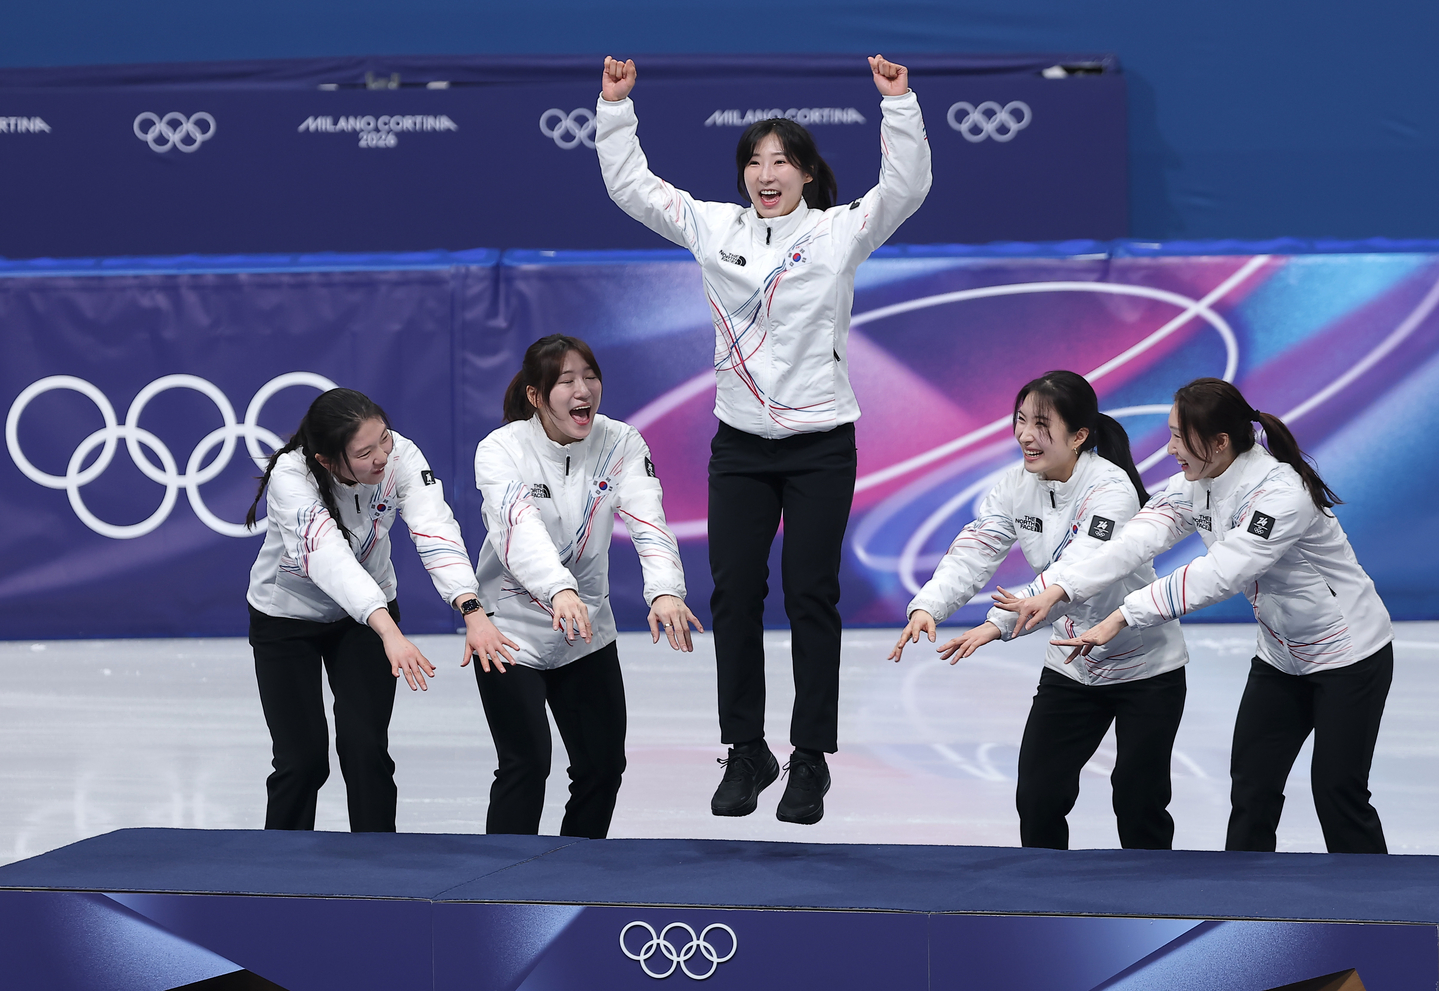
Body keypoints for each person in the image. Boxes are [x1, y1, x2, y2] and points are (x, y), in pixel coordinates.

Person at [595, 54, 932, 825]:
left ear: (809, 173)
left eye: (780, 160)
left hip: (820, 444)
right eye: (753, 161)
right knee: (735, 593)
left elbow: (907, 187)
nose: (765, 172)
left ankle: (809, 757)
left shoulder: (839, 231)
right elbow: (632, 188)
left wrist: (898, 104)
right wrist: (615, 108)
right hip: (740, 447)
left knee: (811, 594)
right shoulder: (714, 227)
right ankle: (745, 749)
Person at [1002, 378, 1394, 854]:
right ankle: (1240, 911)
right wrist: (1060, 587)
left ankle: (1371, 916)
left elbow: (1221, 572)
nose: (1169, 450)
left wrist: (1125, 614)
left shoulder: (1280, 494)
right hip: (1279, 657)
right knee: (1251, 788)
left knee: (1337, 790)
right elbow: (1132, 541)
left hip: (1349, 656)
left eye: (1178, 438)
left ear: (1219, 442)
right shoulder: (1192, 484)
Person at [888, 371, 1189, 849]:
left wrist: (996, 626)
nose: (1025, 434)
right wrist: (929, 605)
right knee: (1038, 797)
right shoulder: (1015, 485)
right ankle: (1045, 906)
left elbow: (1077, 572)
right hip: (1071, 667)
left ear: (1079, 436)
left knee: (1139, 800)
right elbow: (975, 548)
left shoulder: (1111, 490)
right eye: (1021, 420)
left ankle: (1149, 909)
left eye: (1042, 424)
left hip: (1145, 668)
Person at [245, 387, 509, 831]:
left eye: (384, 438)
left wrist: (472, 607)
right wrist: (389, 633)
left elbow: (434, 528)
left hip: (366, 619)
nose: (383, 456)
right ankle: (280, 877)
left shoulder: (399, 456)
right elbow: (329, 560)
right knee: (303, 761)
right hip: (286, 619)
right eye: (365, 452)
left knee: (366, 750)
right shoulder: (292, 477)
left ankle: (377, 875)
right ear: (327, 461)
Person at [471, 334, 701, 839]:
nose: (584, 391)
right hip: (510, 632)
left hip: (586, 631)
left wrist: (665, 589)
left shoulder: (621, 442)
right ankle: (502, 887)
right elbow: (518, 531)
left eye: (590, 377)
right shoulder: (501, 449)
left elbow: (648, 518)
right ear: (536, 395)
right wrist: (559, 589)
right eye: (567, 381)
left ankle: (576, 876)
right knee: (526, 766)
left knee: (601, 768)